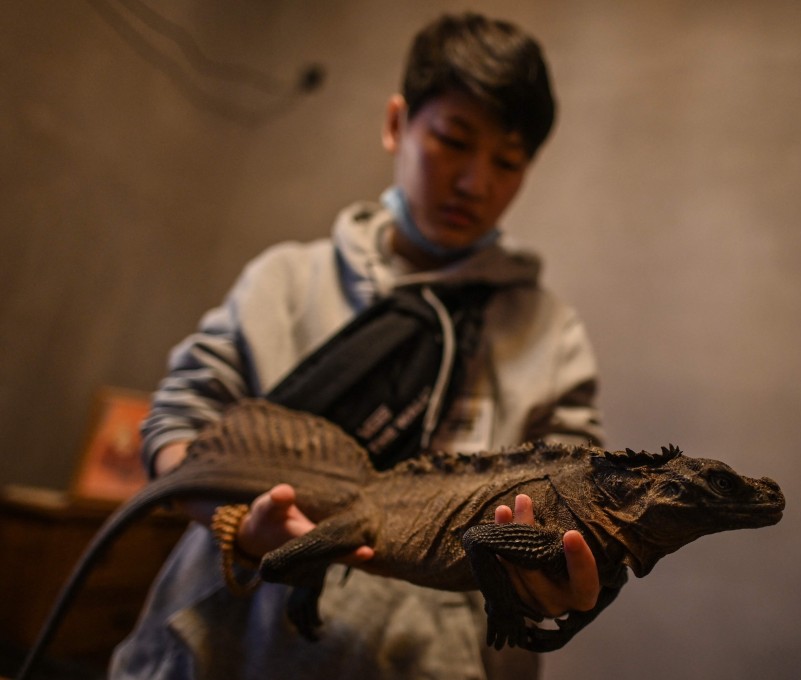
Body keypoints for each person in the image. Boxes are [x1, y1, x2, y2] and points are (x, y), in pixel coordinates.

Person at [111, 12, 605, 680]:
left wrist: (561, 576)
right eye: (454, 141)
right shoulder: (285, 281)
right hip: (225, 642)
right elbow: (176, 424)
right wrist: (235, 523)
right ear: (397, 123)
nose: (476, 183)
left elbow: (571, 503)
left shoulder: (551, 336)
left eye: (508, 162)